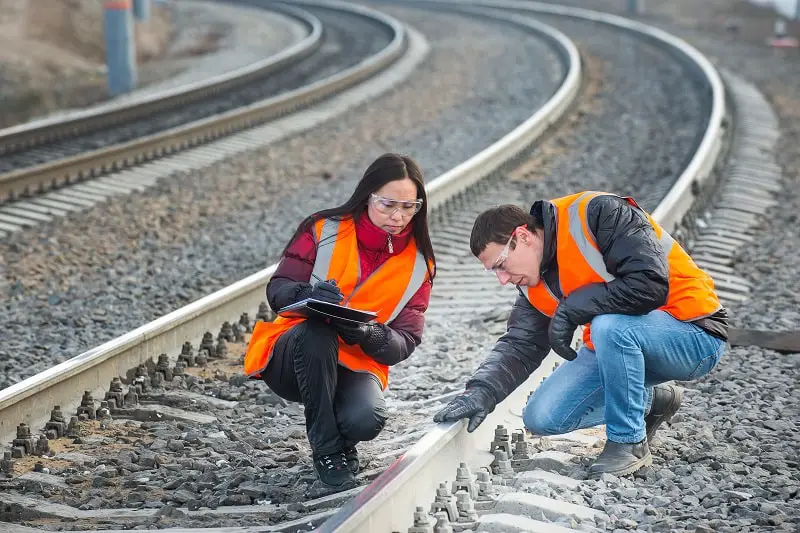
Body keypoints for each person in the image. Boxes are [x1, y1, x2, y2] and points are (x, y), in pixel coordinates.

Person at [433, 191, 728, 477]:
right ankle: (653, 400)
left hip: (693, 332)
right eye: (493, 272)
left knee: (608, 326)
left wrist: (574, 307)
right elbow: (521, 343)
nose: (502, 279)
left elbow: (649, 284)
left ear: (522, 236)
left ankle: (628, 443)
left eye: (501, 265)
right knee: (543, 417)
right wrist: (482, 391)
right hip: (624, 343)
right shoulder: (532, 281)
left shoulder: (598, 213)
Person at [244, 153, 436, 491]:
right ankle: (327, 449)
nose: (398, 216)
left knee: (366, 420)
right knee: (317, 333)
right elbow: (278, 290)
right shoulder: (324, 229)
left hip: (355, 363)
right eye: (388, 204)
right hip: (294, 354)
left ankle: (342, 439)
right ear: (367, 197)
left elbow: (405, 340)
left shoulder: (420, 263)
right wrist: (310, 292)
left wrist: (368, 334)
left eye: (410, 207)